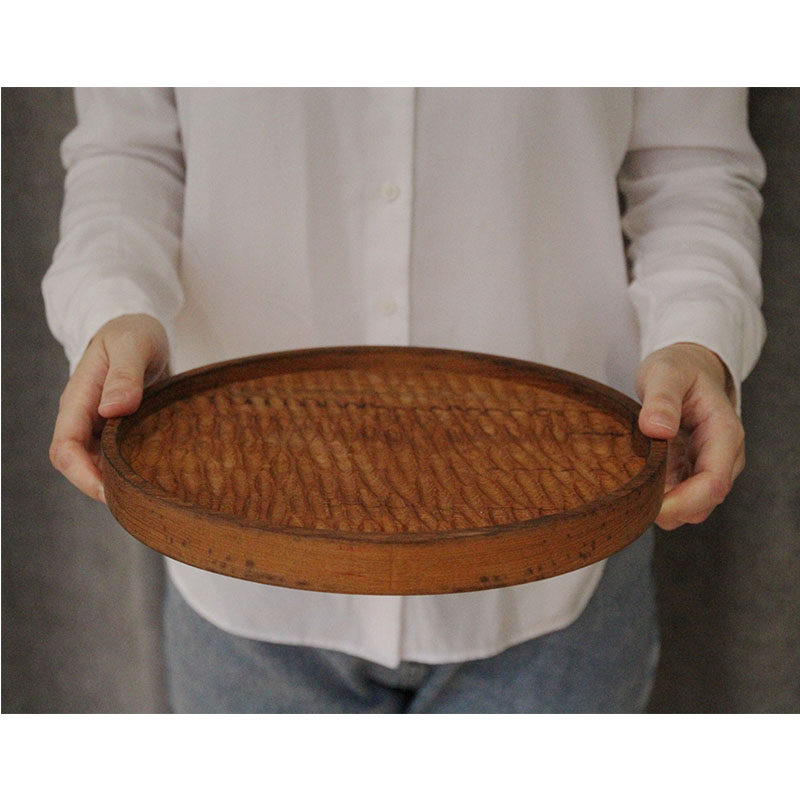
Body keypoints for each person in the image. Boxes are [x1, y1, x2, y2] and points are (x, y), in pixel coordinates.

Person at [43, 88, 766, 713]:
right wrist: (112, 304)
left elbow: (691, 167)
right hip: (236, 568)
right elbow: (128, 150)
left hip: (564, 567)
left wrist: (698, 338)